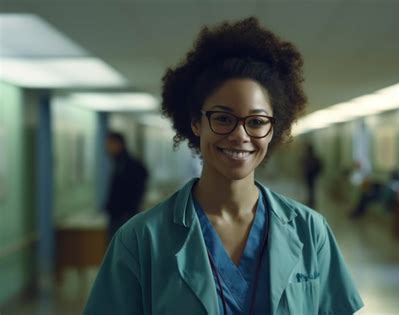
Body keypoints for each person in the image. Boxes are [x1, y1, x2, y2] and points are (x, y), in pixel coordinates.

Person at [85, 18, 363, 314]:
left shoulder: (310, 231)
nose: (240, 135)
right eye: (223, 118)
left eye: (256, 122)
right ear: (196, 123)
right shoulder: (140, 240)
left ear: (273, 129)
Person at [104, 131, 148, 241]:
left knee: (121, 248)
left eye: (109, 144)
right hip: (120, 215)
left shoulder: (130, 165)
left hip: (124, 216)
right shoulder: (119, 163)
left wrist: (129, 210)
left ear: (118, 144)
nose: (107, 148)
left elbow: (135, 190)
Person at [302, 142, 323, 208]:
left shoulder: (311, 157)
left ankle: (311, 201)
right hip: (310, 175)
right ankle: (311, 201)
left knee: (311, 189)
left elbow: (319, 166)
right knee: (311, 189)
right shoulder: (310, 157)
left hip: (311, 175)